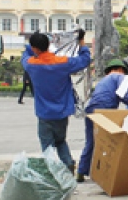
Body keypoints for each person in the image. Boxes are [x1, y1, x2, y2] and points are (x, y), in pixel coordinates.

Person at [22, 31, 91, 172]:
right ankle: (68, 162)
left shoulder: (31, 64)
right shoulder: (63, 62)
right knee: (60, 141)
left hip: (44, 113)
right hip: (62, 112)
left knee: (47, 146)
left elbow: (26, 53)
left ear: (35, 48)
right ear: (48, 45)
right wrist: (81, 42)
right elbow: (84, 59)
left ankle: (53, 172)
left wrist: (32, 44)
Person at [76, 59, 128, 182]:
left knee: (90, 142)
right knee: (107, 143)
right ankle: (104, 173)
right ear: (121, 70)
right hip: (105, 111)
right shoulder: (122, 77)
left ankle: (81, 172)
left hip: (91, 111)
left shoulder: (102, 81)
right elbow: (124, 95)